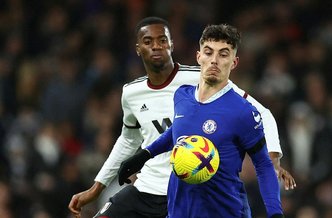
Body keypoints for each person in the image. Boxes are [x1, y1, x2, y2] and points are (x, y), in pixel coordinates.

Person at [68, 17, 294, 218]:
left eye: (162, 40)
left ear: (172, 45)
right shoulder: (156, 94)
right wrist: (107, 180)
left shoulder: (214, 86)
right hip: (155, 190)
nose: (156, 47)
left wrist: (273, 160)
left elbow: (261, 116)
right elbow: (146, 136)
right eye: (148, 42)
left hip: (203, 197)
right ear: (137, 48)